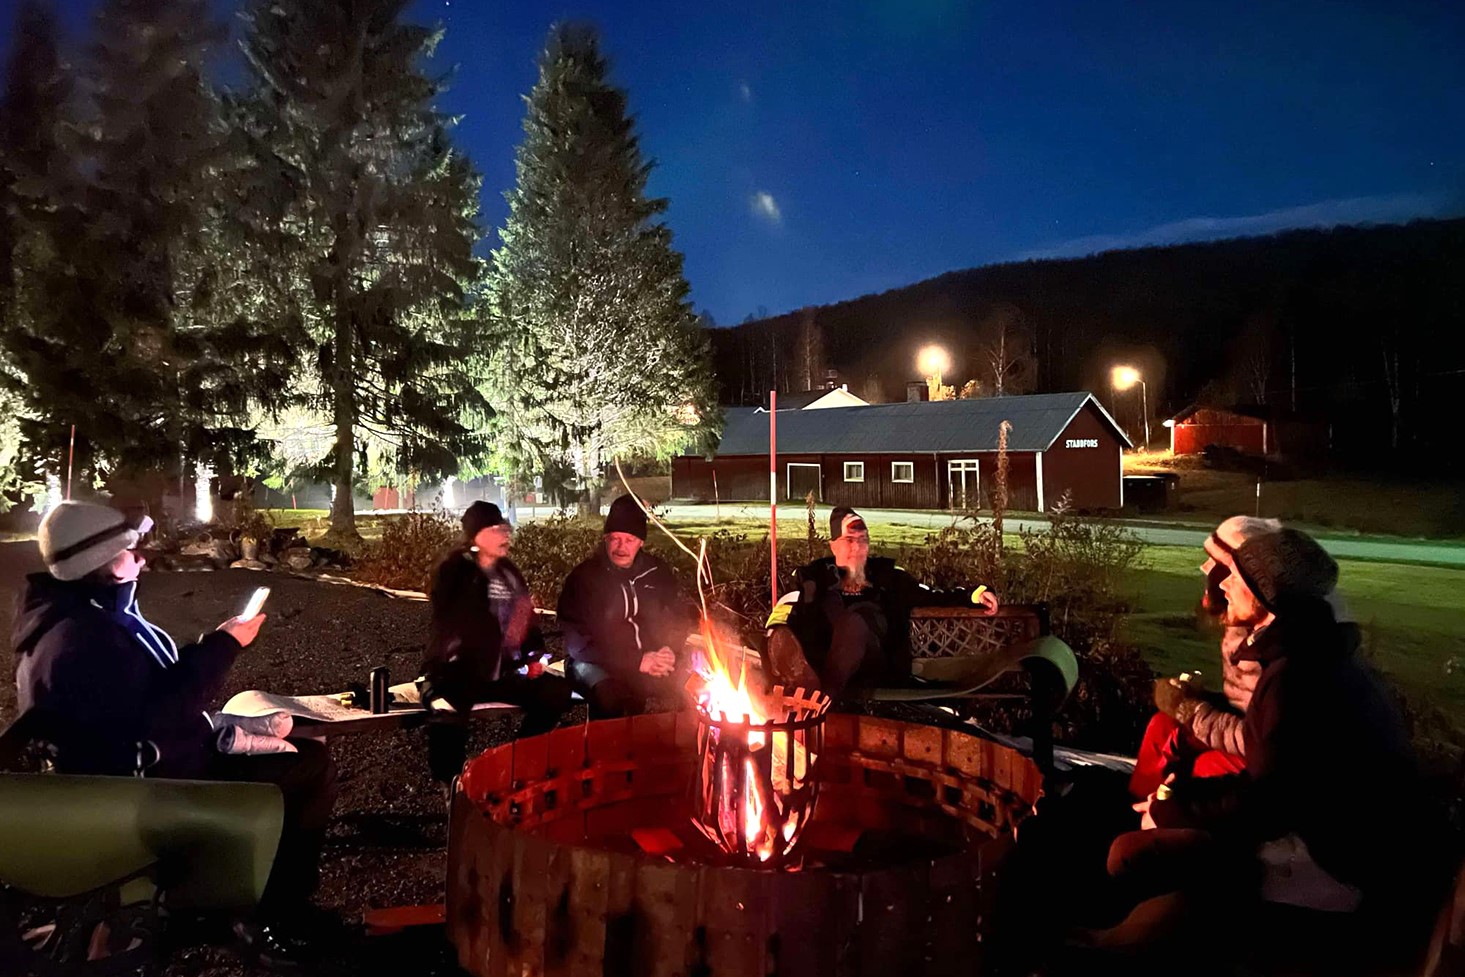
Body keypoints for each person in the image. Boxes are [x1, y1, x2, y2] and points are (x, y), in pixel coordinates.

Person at [1091, 528, 1444, 961]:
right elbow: (1276, 773)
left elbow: (1271, 803)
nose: (1222, 583)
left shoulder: (1297, 674)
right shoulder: (1308, 654)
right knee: (1149, 836)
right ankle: (1126, 935)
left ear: (1267, 595)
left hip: (1335, 865)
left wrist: (1175, 808)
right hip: (1333, 840)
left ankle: (1130, 949)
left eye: (1235, 576)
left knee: (1129, 856)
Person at [11, 500, 338, 966]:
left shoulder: (85, 616)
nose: (142, 558)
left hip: (147, 766)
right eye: (129, 551)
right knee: (303, 769)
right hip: (142, 792)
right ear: (97, 564)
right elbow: (159, 716)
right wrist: (224, 648)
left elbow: (150, 694)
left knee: (301, 752)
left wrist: (215, 648)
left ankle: (276, 905)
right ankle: (269, 919)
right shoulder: (78, 641)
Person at [764, 506, 999, 696]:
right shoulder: (815, 578)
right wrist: (777, 630)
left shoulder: (889, 577)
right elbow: (788, 604)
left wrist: (975, 594)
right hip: (825, 661)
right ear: (833, 545)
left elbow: (933, 594)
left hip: (875, 664)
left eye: (863, 539)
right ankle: (813, 687)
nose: (857, 547)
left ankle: (822, 700)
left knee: (856, 621)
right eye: (849, 540)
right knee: (826, 607)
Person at [420, 501, 573, 784]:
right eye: (496, 529)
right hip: (459, 671)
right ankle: (452, 783)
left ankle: (514, 765)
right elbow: (455, 621)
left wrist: (533, 656)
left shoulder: (509, 573)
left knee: (557, 692)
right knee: (447, 709)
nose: (505, 535)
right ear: (475, 535)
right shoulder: (455, 571)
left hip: (502, 673)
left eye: (505, 528)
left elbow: (526, 620)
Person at [1128, 515, 1281, 799]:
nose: (1211, 577)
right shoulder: (1242, 627)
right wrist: (1194, 699)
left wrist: (1192, 710)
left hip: (1270, 765)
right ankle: (1138, 808)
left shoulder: (1277, 650)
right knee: (1162, 725)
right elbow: (1247, 709)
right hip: (1244, 736)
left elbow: (1259, 740)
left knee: (1205, 766)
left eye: (1223, 570)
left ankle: (1158, 817)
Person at [557, 495, 697, 718]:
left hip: (648, 657)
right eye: (615, 539)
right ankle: (601, 749)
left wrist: (670, 649)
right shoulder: (584, 578)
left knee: (692, 687)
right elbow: (578, 644)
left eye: (629, 540)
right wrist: (636, 661)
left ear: (641, 541)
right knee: (610, 697)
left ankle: (683, 748)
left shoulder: (656, 572)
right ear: (605, 538)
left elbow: (678, 616)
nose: (621, 547)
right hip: (593, 661)